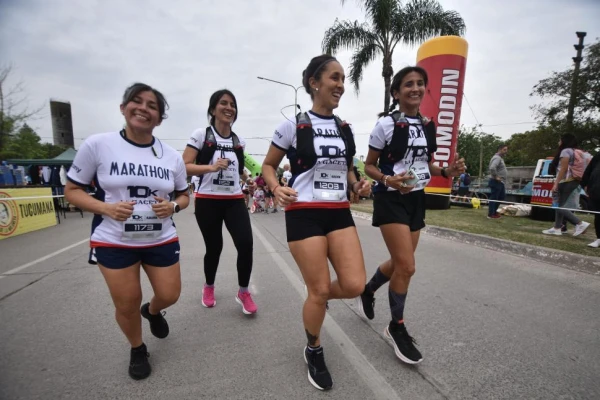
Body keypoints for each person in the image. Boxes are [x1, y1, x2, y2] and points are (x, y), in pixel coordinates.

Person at [64, 83, 189, 380]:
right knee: (127, 302)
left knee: (170, 294)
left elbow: (184, 195)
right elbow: (72, 190)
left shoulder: (171, 156)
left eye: (152, 106)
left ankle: (154, 311)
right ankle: (137, 347)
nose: (143, 108)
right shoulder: (98, 145)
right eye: (136, 102)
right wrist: (106, 208)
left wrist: (173, 207)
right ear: (123, 108)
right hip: (114, 240)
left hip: (160, 237)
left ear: (159, 119)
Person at [262, 55, 371, 391]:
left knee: (354, 285)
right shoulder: (292, 126)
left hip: (338, 212)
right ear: (314, 82)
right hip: (304, 212)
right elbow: (268, 165)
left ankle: (317, 300)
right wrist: (277, 187)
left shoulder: (344, 128)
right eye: (334, 78)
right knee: (320, 289)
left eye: (343, 79)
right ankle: (313, 347)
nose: (340, 85)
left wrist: (357, 185)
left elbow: (348, 170)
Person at [355, 66, 465, 365]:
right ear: (396, 92)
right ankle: (396, 327)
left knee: (400, 263)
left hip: (416, 197)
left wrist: (446, 171)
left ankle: (368, 289)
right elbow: (369, 166)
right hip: (390, 199)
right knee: (407, 265)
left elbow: (425, 164)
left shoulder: (428, 126)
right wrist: (388, 180)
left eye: (419, 84)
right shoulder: (385, 125)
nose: (414, 89)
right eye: (408, 85)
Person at [182, 89, 257, 314]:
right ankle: (209, 286)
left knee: (245, 244)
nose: (229, 108)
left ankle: (243, 291)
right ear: (213, 109)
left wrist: (248, 180)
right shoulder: (202, 134)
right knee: (214, 248)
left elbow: (238, 167)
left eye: (232, 104)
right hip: (207, 201)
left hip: (234, 200)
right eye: (223, 103)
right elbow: (184, 165)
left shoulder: (238, 140)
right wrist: (211, 167)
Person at [542, 134, 590, 236]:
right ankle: (557, 227)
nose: (558, 142)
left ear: (564, 141)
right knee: (561, 204)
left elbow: (563, 169)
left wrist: (556, 183)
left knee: (559, 206)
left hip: (566, 180)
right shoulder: (580, 152)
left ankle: (579, 223)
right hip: (576, 180)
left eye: (560, 140)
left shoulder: (565, 151)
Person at [581, 152, 600, 247]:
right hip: (596, 189)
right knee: (598, 215)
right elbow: (588, 170)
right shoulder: (598, 155)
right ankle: (599, 238)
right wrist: (584, 184)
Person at [487, 144, 508, 219]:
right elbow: (492, 168)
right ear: (500, 150)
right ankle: (491, 214)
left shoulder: (500, 158)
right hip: (496, 181)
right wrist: (496, 176)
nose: (506, 151)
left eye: (506, 150)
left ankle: (494, 212)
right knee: (494, 197)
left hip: (500, 182)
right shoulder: (497, 158)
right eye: (504, 150)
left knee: (501, 197)